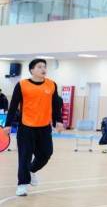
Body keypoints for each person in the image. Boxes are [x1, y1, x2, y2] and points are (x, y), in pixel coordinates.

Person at [5, 59, 63, 197]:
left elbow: (56, 105)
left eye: (44, 66)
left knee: (46, 154)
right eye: (39, 67)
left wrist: (59, 121)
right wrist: (8, 124)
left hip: (44, 127)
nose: (43, 69)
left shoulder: (51, 84)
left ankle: (31, 170)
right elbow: (13, 106)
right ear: (32, 70)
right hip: (26, 127)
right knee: (24, 156)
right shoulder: (22, 85)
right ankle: (22, 185)